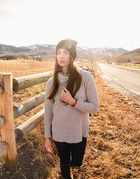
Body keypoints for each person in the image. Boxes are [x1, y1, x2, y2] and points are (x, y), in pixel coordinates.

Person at [44, 38, 99, 179]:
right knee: (64, 162)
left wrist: (73, 102)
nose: (61, 56)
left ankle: (72, 168)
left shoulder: (85, 77)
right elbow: (48, 111)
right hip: (59, 132)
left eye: (66, 52)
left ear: (72, 55)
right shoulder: (52, 81)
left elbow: (94, 107)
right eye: (58, 52)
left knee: (76, 162)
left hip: (78, 131)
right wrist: (47, 136)